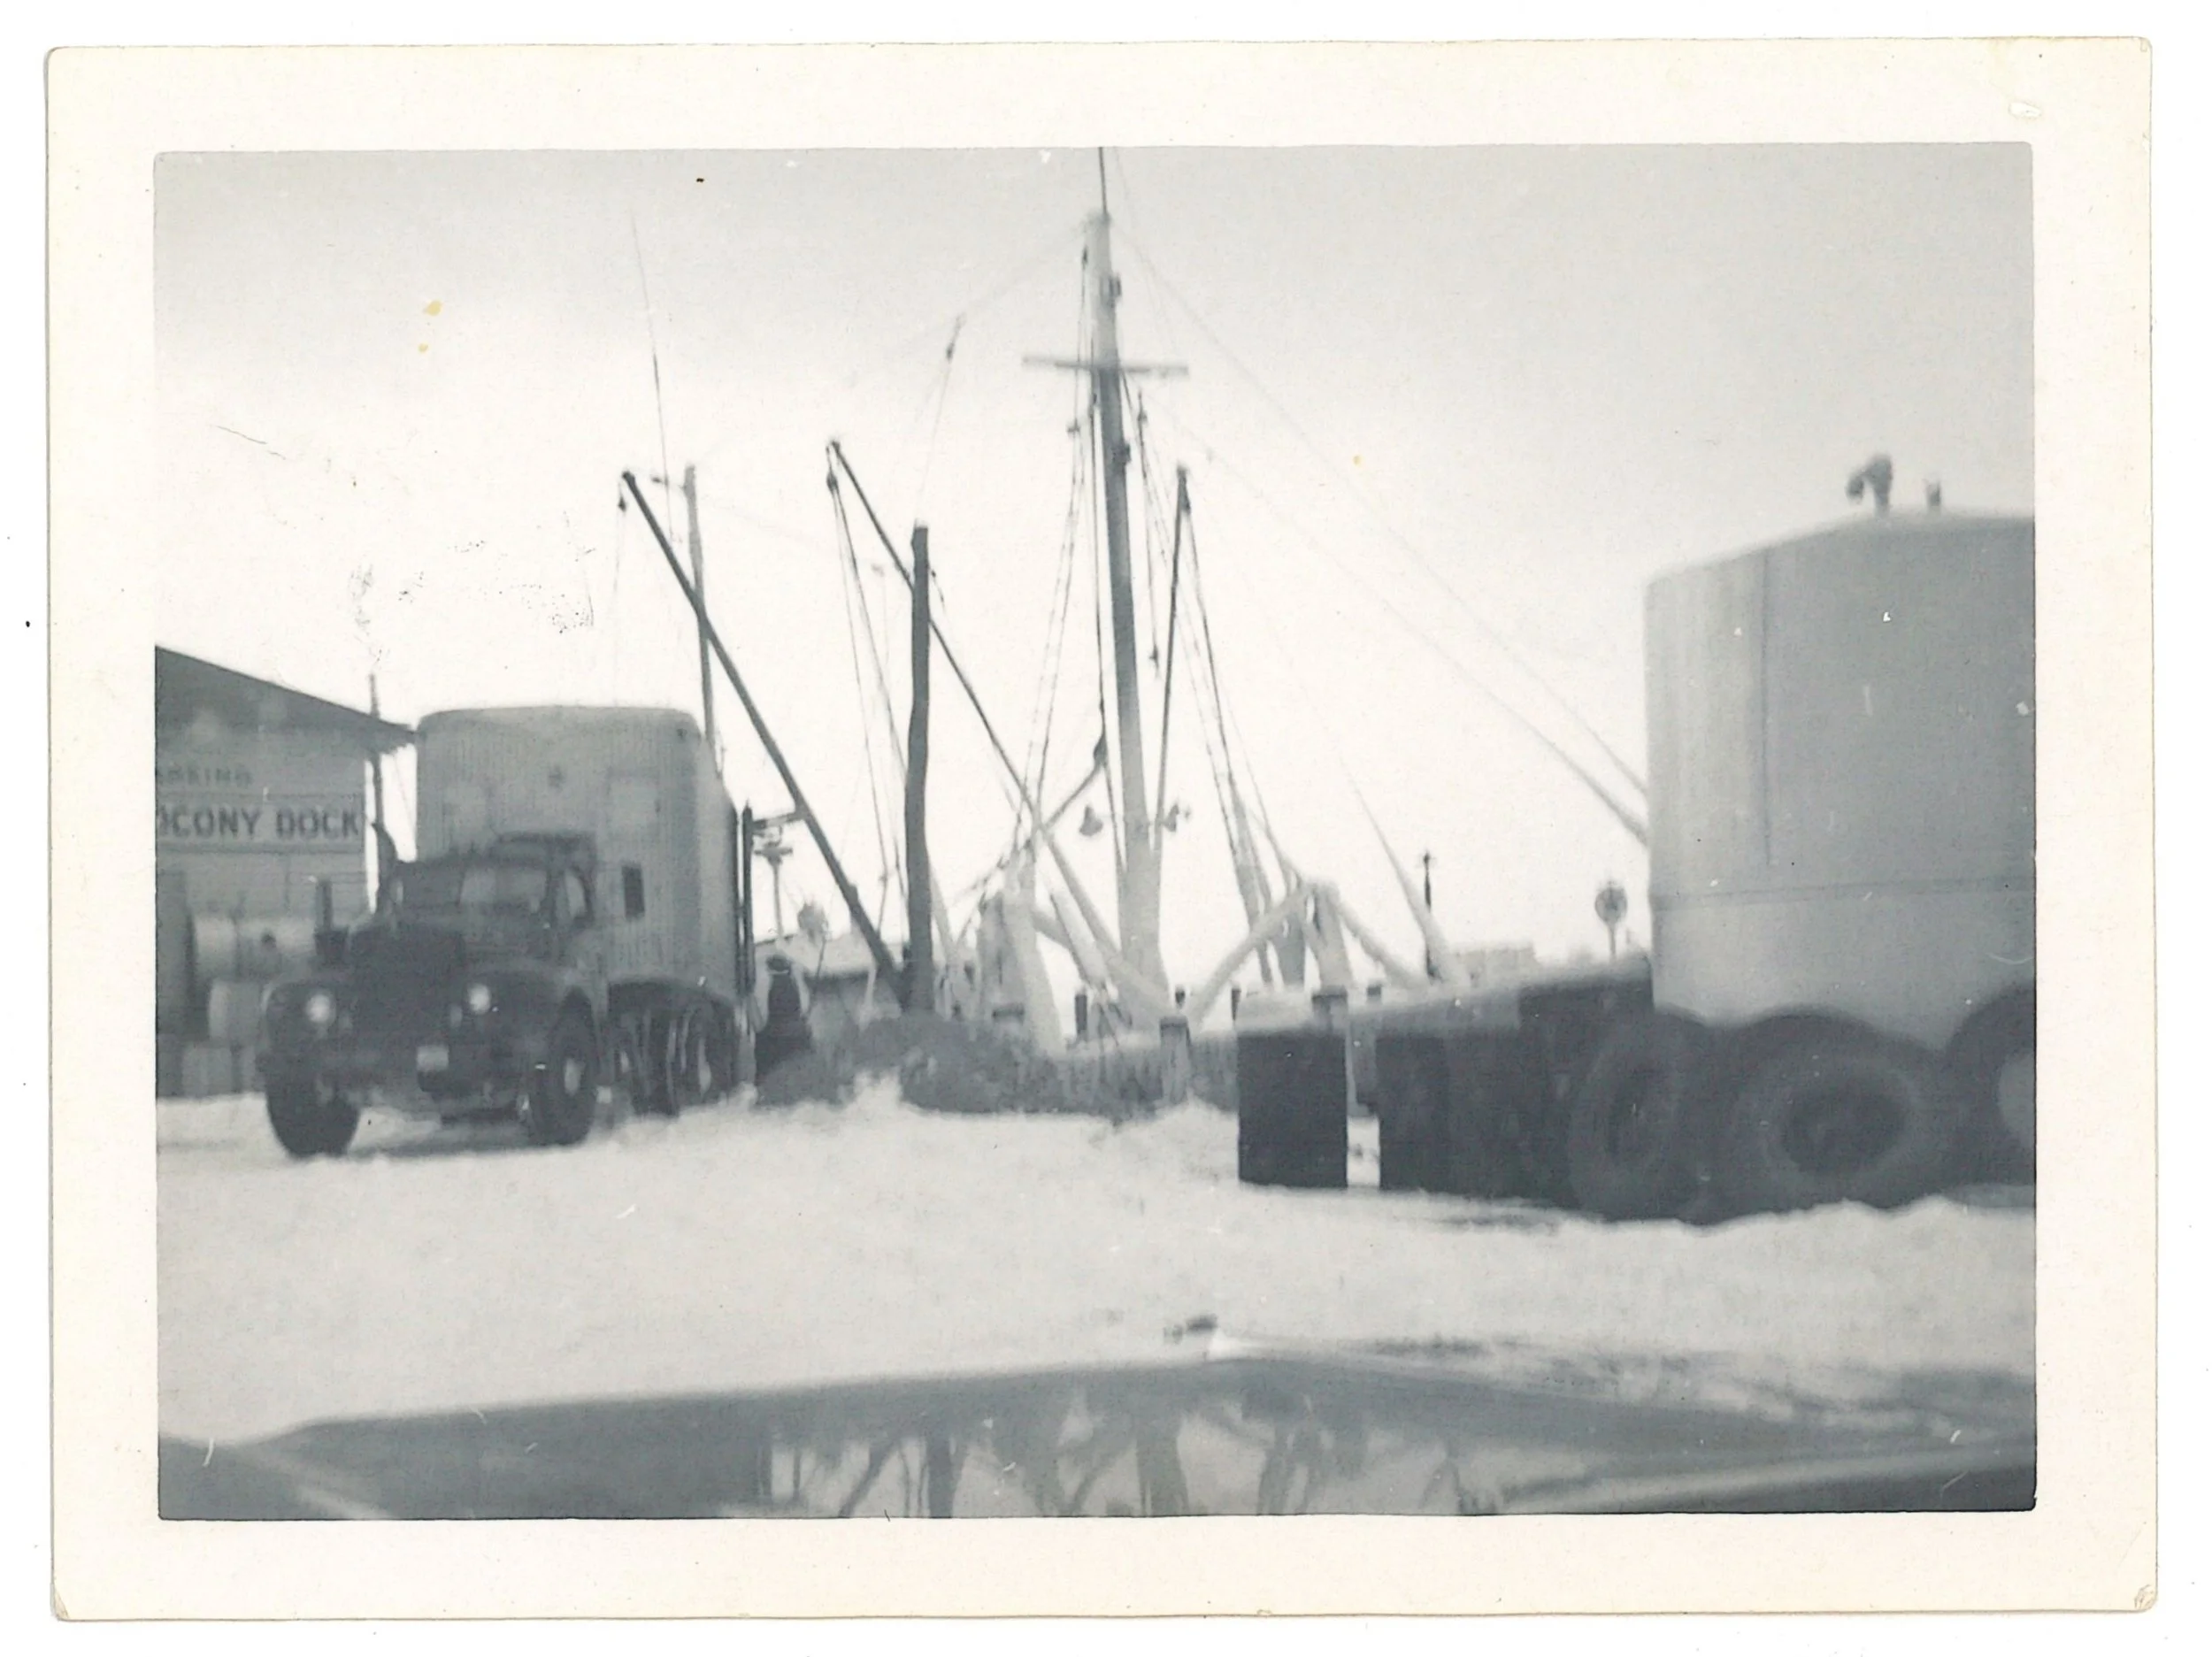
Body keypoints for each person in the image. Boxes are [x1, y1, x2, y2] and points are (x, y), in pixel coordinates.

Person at [753, 953, 814, 1080]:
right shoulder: (796, 982)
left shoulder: (765, 984)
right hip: (797, 1035)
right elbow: (805, 1008)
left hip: (775, 1038)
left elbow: (760, 1018)